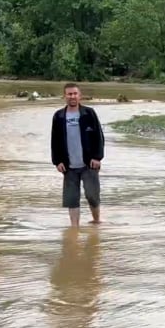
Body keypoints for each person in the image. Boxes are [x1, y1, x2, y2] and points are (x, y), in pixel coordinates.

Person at [50, 83, 105, 227]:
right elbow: (54, 141)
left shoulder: (89, 113)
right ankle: (74, 229)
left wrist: (97, 157)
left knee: (92, 196)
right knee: (71, 198)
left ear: (80, 96)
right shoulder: (59, 116)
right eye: (69, 94)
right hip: (69, 165)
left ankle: (97, 221)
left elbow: (99, 137)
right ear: (64, 96)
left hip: (89, 163)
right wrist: (57, 161)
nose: (72, 96)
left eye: (75, 93)